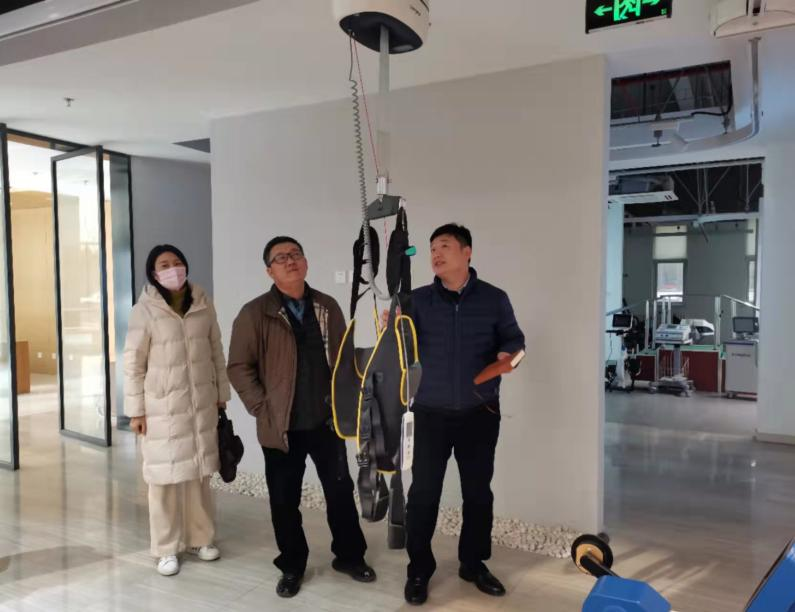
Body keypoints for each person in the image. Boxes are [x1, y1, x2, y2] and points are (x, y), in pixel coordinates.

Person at [227, 236, 375, 598]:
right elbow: (238, 367)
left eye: (295, 254)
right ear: (269, 271)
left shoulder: (327, 306)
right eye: (281, 258)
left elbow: (344, 359)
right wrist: (263, 408)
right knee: (284, 500)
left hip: (326, 422)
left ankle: (349, 556)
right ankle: (292, 565)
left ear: (306, 262)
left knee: (340, 493)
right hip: (281, 427)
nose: (290, 261)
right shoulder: (255, 313)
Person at [402, 223, 525, 605]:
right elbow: (399, 350)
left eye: (444, 246)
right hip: (429, 413)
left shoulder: (494, 299)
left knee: (477, 492)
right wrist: (393, 328)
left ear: (467, 252)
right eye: (432, 249)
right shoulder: (416, 301)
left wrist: (508, 356)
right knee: (423, 493)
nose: (436, 254)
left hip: (479, 411)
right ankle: (419, 569)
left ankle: (473, 564)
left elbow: (515, 340)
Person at [124, 244, 230, 577]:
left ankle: (201, 538)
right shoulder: (144, 310)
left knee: (198, 474)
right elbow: (133, 363)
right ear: (154, 274)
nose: (173, 269)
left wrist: (221, 393)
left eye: (177, 262)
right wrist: (136, 411)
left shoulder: (202, 303)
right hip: (162, 408)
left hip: (200, 404)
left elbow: (216, 349)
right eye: (164, 265)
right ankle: (166, 548)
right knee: (164, 480)